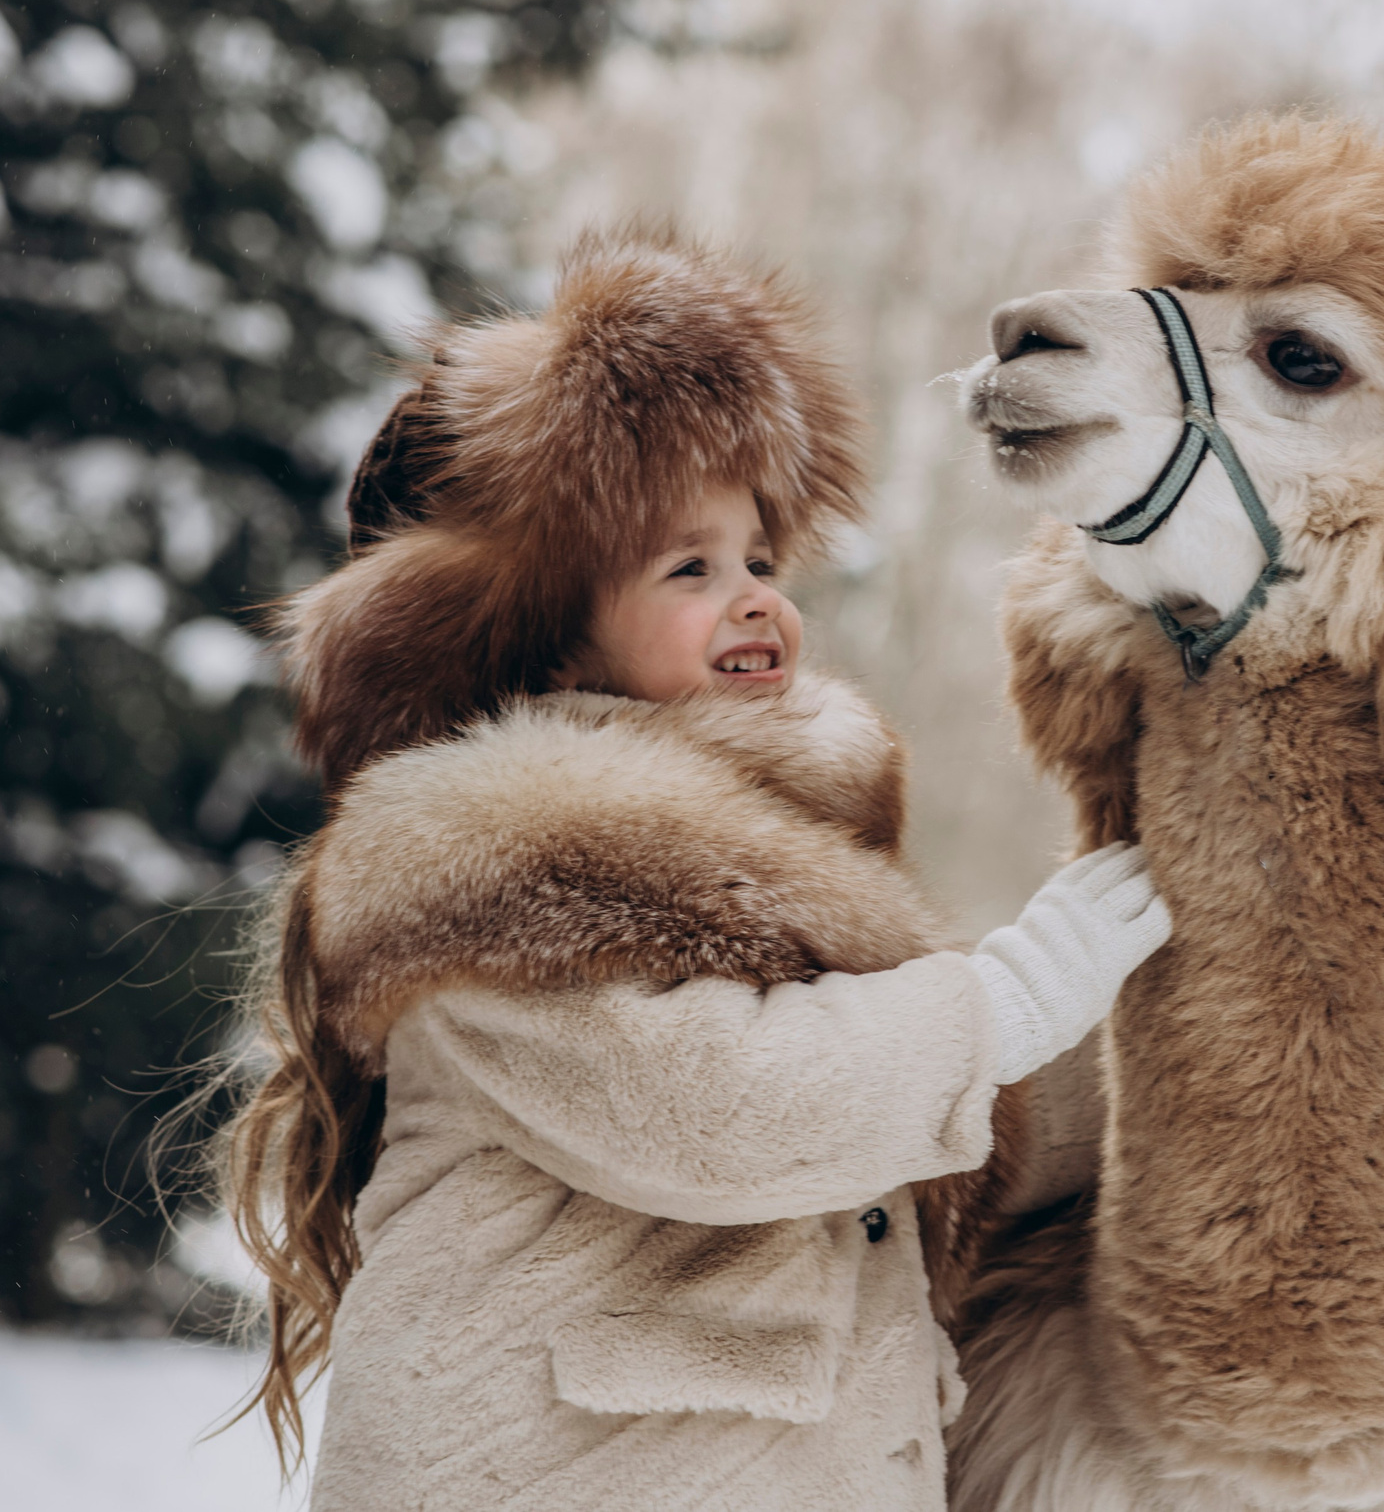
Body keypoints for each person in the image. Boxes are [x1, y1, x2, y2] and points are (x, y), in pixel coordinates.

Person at [216, 229, 1169, 1511]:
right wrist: (1006, 998)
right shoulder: (489, 863)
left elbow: (920, 1136)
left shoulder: (773, 872)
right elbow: (721, 1111)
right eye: (690, 568)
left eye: (762, 561)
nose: (755, 597)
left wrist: (1173, 1034)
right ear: (542, 634)